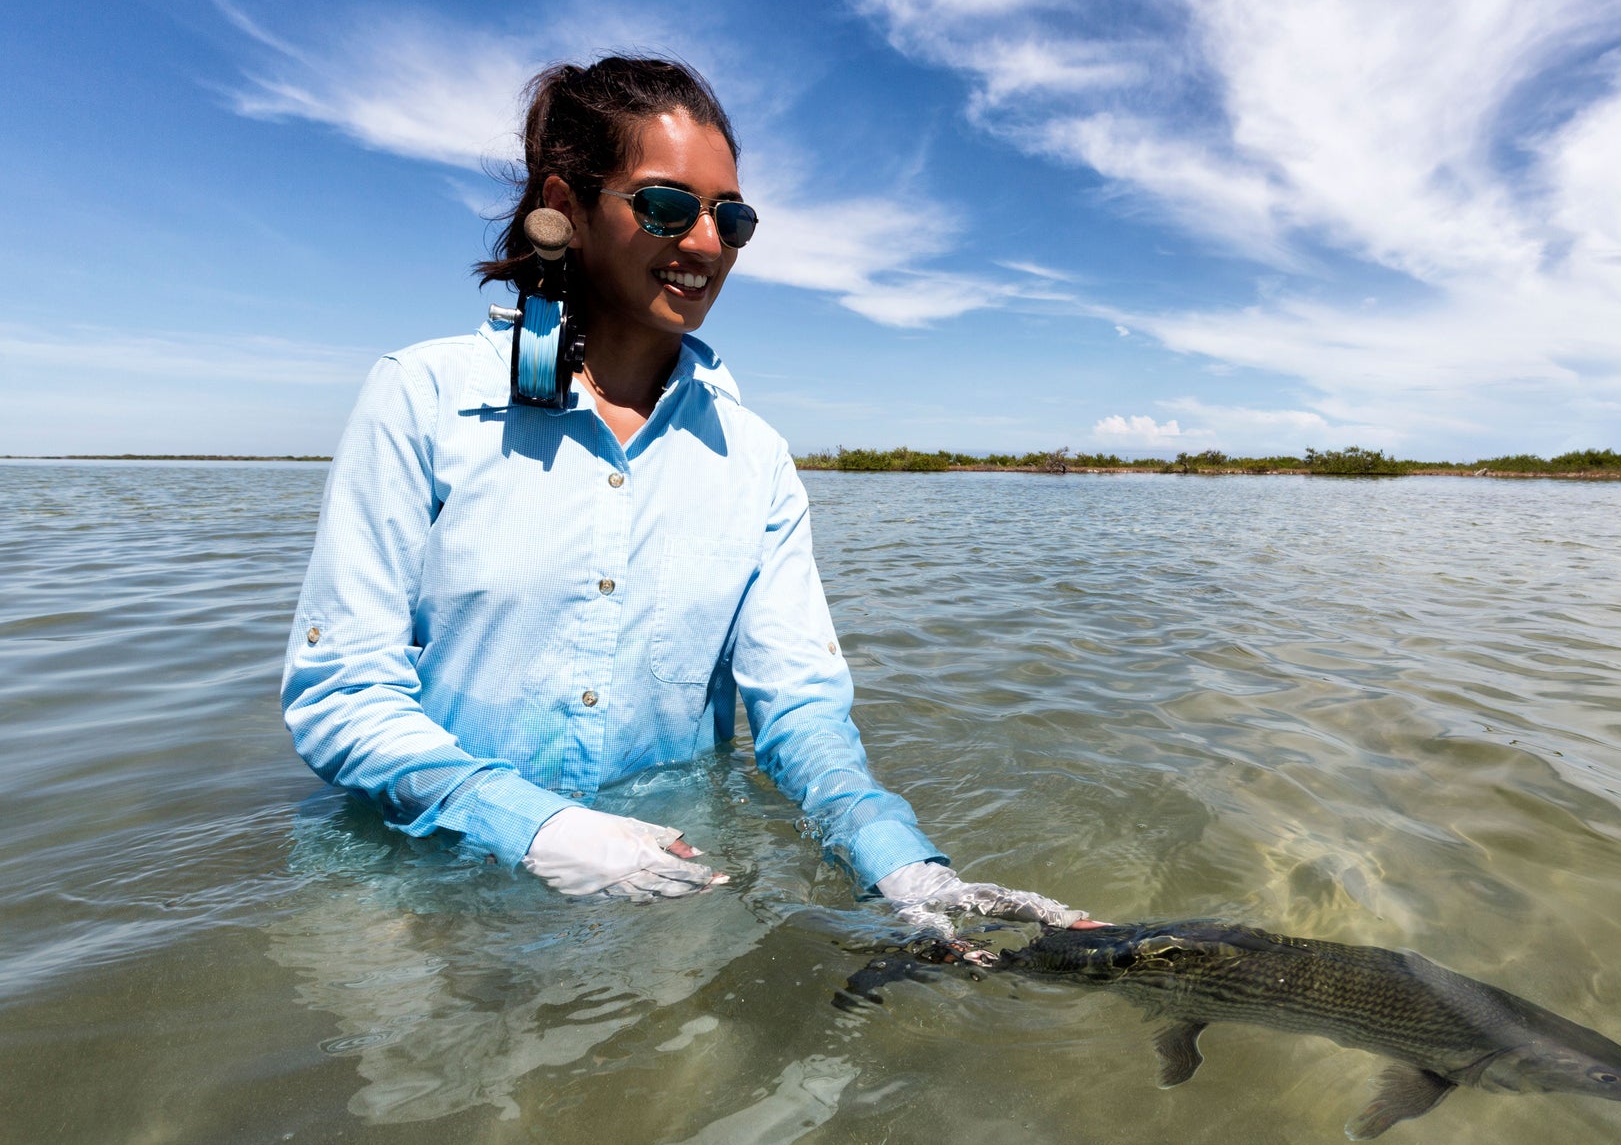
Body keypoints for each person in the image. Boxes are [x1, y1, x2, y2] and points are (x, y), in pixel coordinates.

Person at [281, 55, 1095, 941]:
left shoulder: (756, 461)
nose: (706, 243)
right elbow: (341, 694)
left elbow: (800, 710)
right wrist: (538, 827)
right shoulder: (419, 398)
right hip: (421, 911)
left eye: (731, 219)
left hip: (666, 908)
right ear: (567, 204)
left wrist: (899, 862)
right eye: (666, 206)